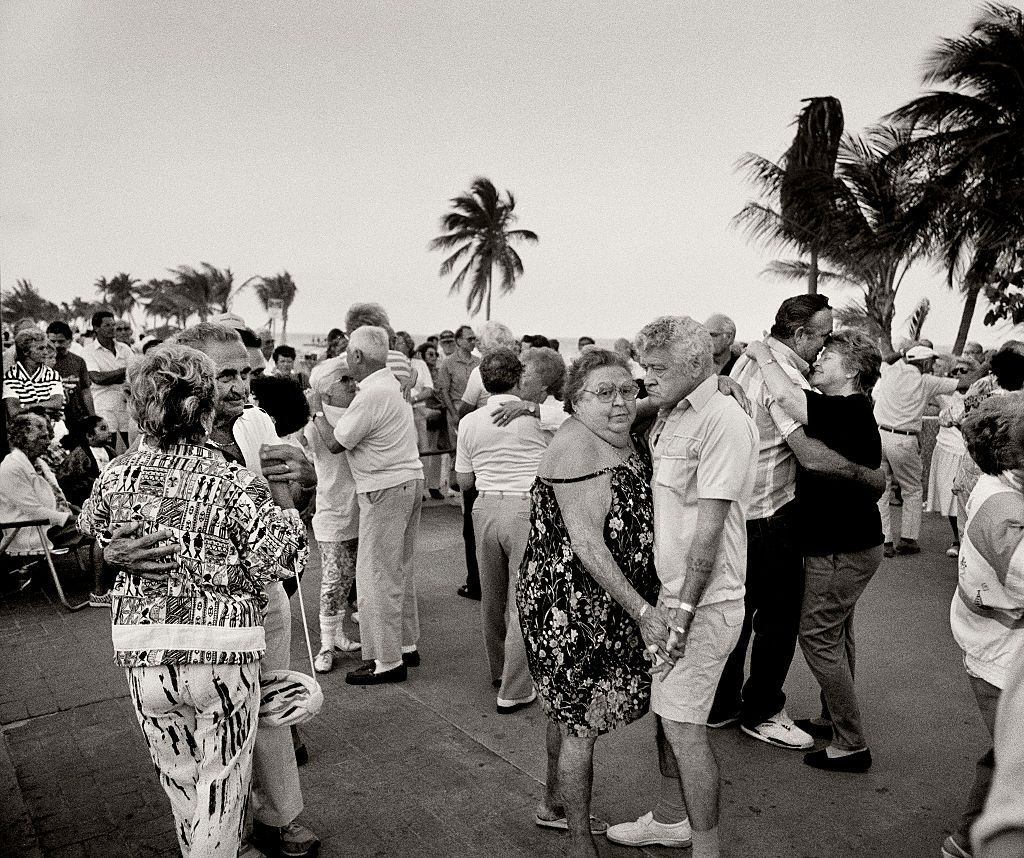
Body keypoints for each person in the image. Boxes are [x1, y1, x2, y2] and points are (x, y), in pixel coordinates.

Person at [78, 344, 308, 858]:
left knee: (182, 785)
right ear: (204, 408)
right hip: (222, 656)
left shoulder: (115, 475)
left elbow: (88, 524)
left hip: (144, 657)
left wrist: (115, 546)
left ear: (138, 409)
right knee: (221, 789)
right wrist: (290, 506)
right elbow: (285, 556)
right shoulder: (230, 481)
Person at [160, 322, 320, 858]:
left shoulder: (256, 423)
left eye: (246, 373)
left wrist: (307, 480)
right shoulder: (161, 434)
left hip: (265, 593)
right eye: (225, 373)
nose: (239, 386)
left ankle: (282, 818)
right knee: (211, 727)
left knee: (271, 701)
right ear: (190, 373)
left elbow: (289, 506)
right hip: (197, 610)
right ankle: (225, 834)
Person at [606, 318, 757, 858]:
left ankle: (706, 850)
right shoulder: (674, 410)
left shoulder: (722, 420)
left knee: (687, 730)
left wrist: (684, 611)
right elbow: (626, 412)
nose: (646, 379)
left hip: (705, 603)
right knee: (669, 721)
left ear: (695, 364)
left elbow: (710, 532)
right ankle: (671, 819)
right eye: (644, 366)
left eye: (658, 368)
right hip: (672, 597)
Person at [711, 294, 885, 750]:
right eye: (823, 337)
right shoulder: (785, 377)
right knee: (781, 621)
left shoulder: (748, 365)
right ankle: (763, 711)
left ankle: (723, 704)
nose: (824, 347)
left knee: (740, 614)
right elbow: (809, 449)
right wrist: (870, 476)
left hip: (742, 512)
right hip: (772, 514)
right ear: (801, 334)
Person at [517, 348, 664, 858]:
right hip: (570, 606)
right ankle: (579, 841)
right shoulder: (577, 449)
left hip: (609, 600)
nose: (621, 401)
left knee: (565, 711)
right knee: (579, 722)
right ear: (574, 402)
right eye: (604, 393)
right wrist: (644, 612)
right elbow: (588, 545)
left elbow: (643, 406)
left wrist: (723, 385)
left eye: (629, 389)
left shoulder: (620, 427)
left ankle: (553, 802)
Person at [311, 326, 424, 685]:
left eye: (348, 354)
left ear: (358, 356)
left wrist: (315, 411)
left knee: (376, 576)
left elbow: (335, 443)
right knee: (399, 570)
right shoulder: (389, 383)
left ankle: (387, 661)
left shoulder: (371, 394)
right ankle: (405, 643)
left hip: (384, 488)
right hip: (409, 480)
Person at [941, 395, 1024, 858]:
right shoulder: (1003, 511)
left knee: (1005, 755)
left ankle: (968, 839)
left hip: (999, 656)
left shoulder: (1000, 491)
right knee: (1013, 758)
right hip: (1002, 663)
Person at [455, 349, 551, 714]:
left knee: (492, 597)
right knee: (521, 600)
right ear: (518, 377)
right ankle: (514, 688)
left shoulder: (470, 422)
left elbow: (464, 481)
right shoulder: (534, 419)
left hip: (485, 507)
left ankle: (499, 670)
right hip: (526, 507)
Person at [874, 343, 979, 557]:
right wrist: (987, 365)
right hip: (904, 440)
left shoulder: (890, 371)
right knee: (912, 489)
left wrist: (903, 352)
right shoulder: (925, 381)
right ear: (923, 362)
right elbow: (966, 383)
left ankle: (884, 540)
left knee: (881, 491)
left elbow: (884, 359)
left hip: (879, 435)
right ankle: (907, 539)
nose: (932, 365)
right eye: (930, 361)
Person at [0, 411, 108, 605]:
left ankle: (106, 581)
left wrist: (77, 510)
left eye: (48, 437)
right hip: (32, 529)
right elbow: (34, 511)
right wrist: (76, 519)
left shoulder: (38, 462)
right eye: (41, 438)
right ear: (24, 439)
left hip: (49, 524)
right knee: (101, 530)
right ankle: (100, 592)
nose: (47, 442)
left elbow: (57, 498)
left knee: (102, 520)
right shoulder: (11, 467)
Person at [305, 358, 362, 672]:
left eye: (353, 378)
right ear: (326, 392)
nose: (353, 384)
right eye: (344, 380)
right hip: (334, 510)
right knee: (334, 580)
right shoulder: (317, 421)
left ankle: (338, 635)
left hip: (363, 508)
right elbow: (333, 442)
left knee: (353, 579)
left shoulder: (355, 411)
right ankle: (327, 644)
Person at [436, 325, 480, 598]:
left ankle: (468, 498)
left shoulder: (478, 363)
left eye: (473, 338)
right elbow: (444, 391)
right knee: (459, 462)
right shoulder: (448, 363)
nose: (472, 341)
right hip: (458, 414)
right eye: (469, 338)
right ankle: (463, 497)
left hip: (474, 414)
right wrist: (454, 416)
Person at [928, 358, 978, 557]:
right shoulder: (945, 393)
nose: (958, 374)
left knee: (970, 498)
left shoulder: (982, 393)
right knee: (949, 496)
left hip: (969, 453)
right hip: (946, 449)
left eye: (963, 370)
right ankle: (956, 539)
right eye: (955, 370)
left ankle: (970, 540)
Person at [83, 311, 135, 451]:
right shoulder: (88, 351)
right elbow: (98, 378)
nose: (112, 328)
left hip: (125, 403)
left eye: (113, 325)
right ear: (96, 328)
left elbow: (135, 373)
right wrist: (124, 371)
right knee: (107, 446)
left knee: (131, 443)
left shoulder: (124, 349)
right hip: (103, 404)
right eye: (107, 325)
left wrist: (111, 375)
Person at [491, 347, 569, 433]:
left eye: (523, 374)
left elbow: (567, 418)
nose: (516, 379)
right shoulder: (514, 406)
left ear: (544, 384)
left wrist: (528, 408)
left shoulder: (559, 409)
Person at [3, 328, 64, 421]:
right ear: (25, 351)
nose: (46, 352)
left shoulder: (52, 374)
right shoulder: (11, 376)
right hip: (25, 431)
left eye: (45, 347)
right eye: (40, 348)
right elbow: (14, 411)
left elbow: (57, 403)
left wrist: (27, 406)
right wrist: (46, 408)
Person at [56, 415, 115, 507]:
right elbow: (67, 478)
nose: (109, 432)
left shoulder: (110, 451)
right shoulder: (79, 454)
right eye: (103, 429)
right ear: (90, 436)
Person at [415, 342, 447, 499]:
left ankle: (434, 486)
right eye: (430, 354)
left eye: (436, 354)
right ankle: (421, 487)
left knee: (437, 453)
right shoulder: (420, 371)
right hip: (424, 412)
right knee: (423, 452)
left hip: (439, 414)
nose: (434, 357)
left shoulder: (440, 372)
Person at [47, 321, 94, 426]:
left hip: (76, 417)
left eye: (61, 341)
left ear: (70, 341)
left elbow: (86, 391)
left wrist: (92, 417)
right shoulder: (41, 363)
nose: (56, 345)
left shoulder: (78, 361)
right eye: (52, 341)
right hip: (53, 419)